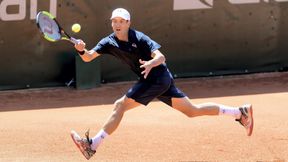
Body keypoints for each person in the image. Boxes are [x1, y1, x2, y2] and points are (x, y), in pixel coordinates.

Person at [70, 8, 254, 160]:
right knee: (192, 111)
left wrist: (151, 62)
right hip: (153, 81)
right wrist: (80, 50)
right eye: (114, 21)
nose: (117, 24)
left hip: (158, 78)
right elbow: (88, 57)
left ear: (128, 23)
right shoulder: (108, 42)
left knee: (120, 105)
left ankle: (92, 145)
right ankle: (240, 112)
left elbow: (161, 56)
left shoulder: (139, 38)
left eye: (121, 21)